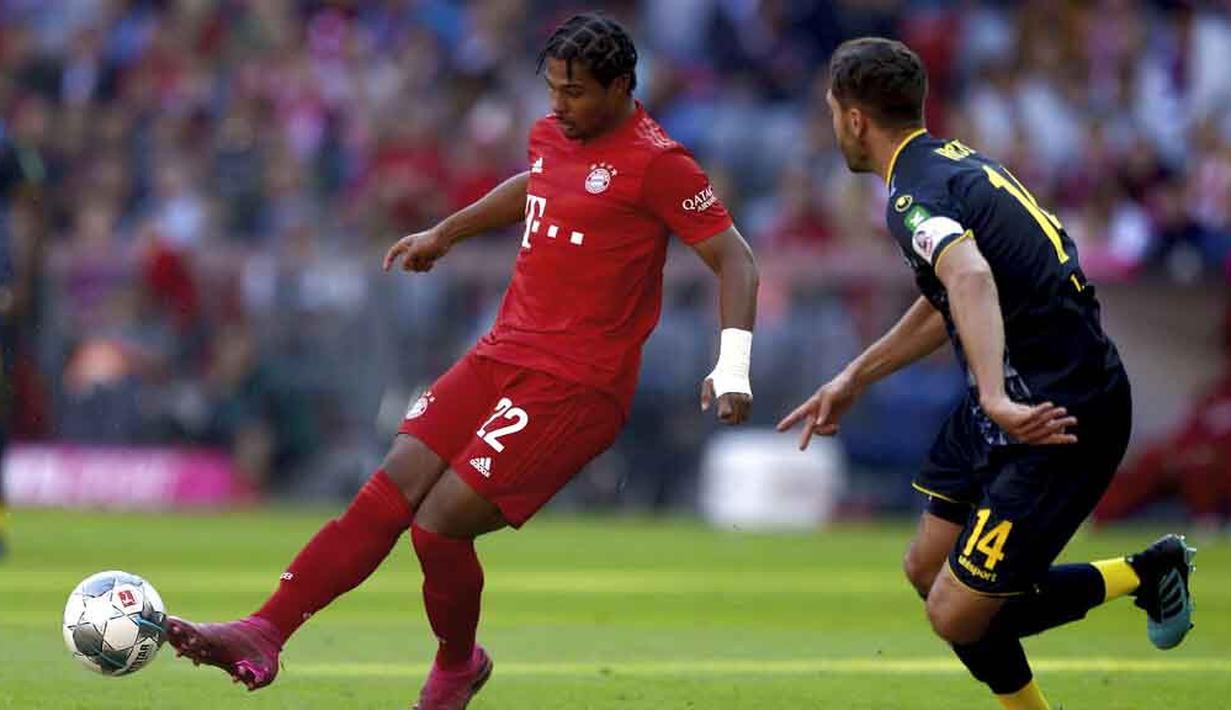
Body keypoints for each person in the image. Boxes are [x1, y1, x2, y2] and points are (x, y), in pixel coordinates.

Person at [164, 13, 759, 710]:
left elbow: (735, 259)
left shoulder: (660, 164)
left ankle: (455, 665)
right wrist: (445, 232)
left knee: (438, 521)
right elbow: (536, 181)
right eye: (552, 89)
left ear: (622, 86)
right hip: (501, 352)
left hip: (575, 385)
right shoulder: (552, 135)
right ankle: (263, 631)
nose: (557, 106)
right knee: (391, 483)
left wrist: (733, 365)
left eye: (574, 93)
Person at [777, 38, 1194, 710]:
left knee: (955, 613)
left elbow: (967, 275)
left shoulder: (910, 194)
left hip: (1058, 412)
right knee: (925, 571)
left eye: (832, 112)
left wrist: (996, 395)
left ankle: (1148, 571)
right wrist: (854, 376)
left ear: (853, 118)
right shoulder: (949, 162)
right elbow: (950, 287)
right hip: (1010, 400)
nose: (832, 128)